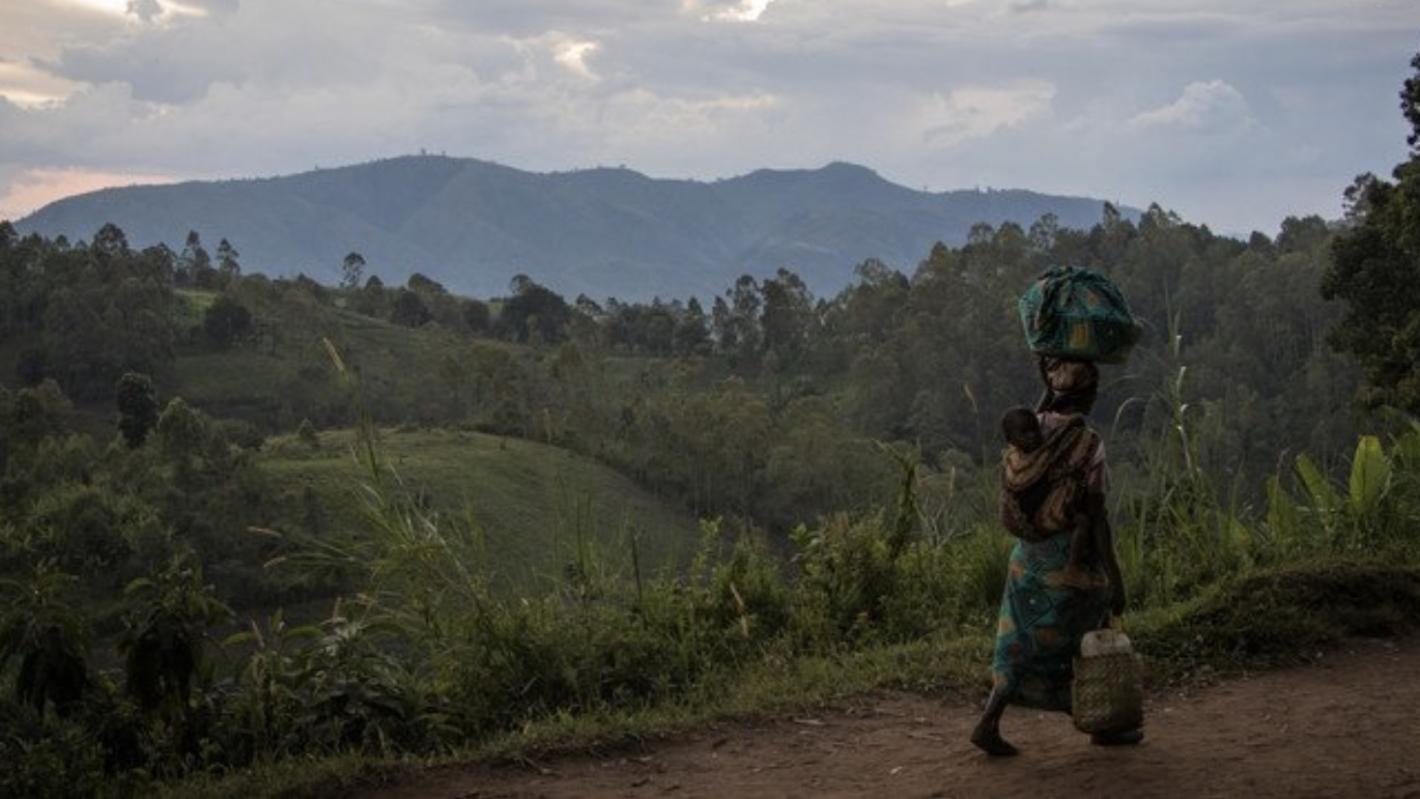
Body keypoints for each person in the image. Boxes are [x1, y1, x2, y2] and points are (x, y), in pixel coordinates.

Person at [970, 356, 1142, 757]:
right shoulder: (1087, 443)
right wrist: (1115, 579)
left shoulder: (1036, 426)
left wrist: (1045, 371)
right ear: (1087, 393)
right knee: (1085, 640)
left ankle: (989, 721)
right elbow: (1096, 517)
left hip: (1027, 558)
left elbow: (1043, 404)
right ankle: (1102, 721)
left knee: (1018, 642)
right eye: (1093, 387)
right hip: (1067, 564)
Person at [998, 406, 1096, 589]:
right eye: (1025, 433)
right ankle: (1072, 569)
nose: (1032, 436)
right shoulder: (1031, 460)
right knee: (1082, 522)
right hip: (1035, 522)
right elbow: (1059, 440)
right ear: (1011, 440)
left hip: (1021, 522)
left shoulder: (1013, 458)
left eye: (1034, 430)